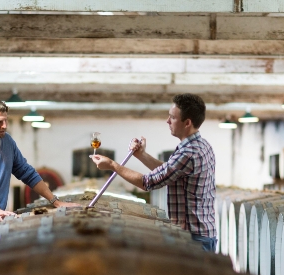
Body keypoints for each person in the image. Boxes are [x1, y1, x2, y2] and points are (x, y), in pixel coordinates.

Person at [91, 93, 217, 251]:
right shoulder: (201, 145)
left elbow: (147, 182)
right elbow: (169, 171)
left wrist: (112, 165)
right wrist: (141, 155)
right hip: (201, 234)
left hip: (193, 239)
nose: (167, 121)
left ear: (187, 123)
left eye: (172, 117)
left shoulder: (188, 153)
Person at [0, 97, 80, 244]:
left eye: (5, 120)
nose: (4, 126)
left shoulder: (7, 142)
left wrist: (55, 201)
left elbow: (26, 172)